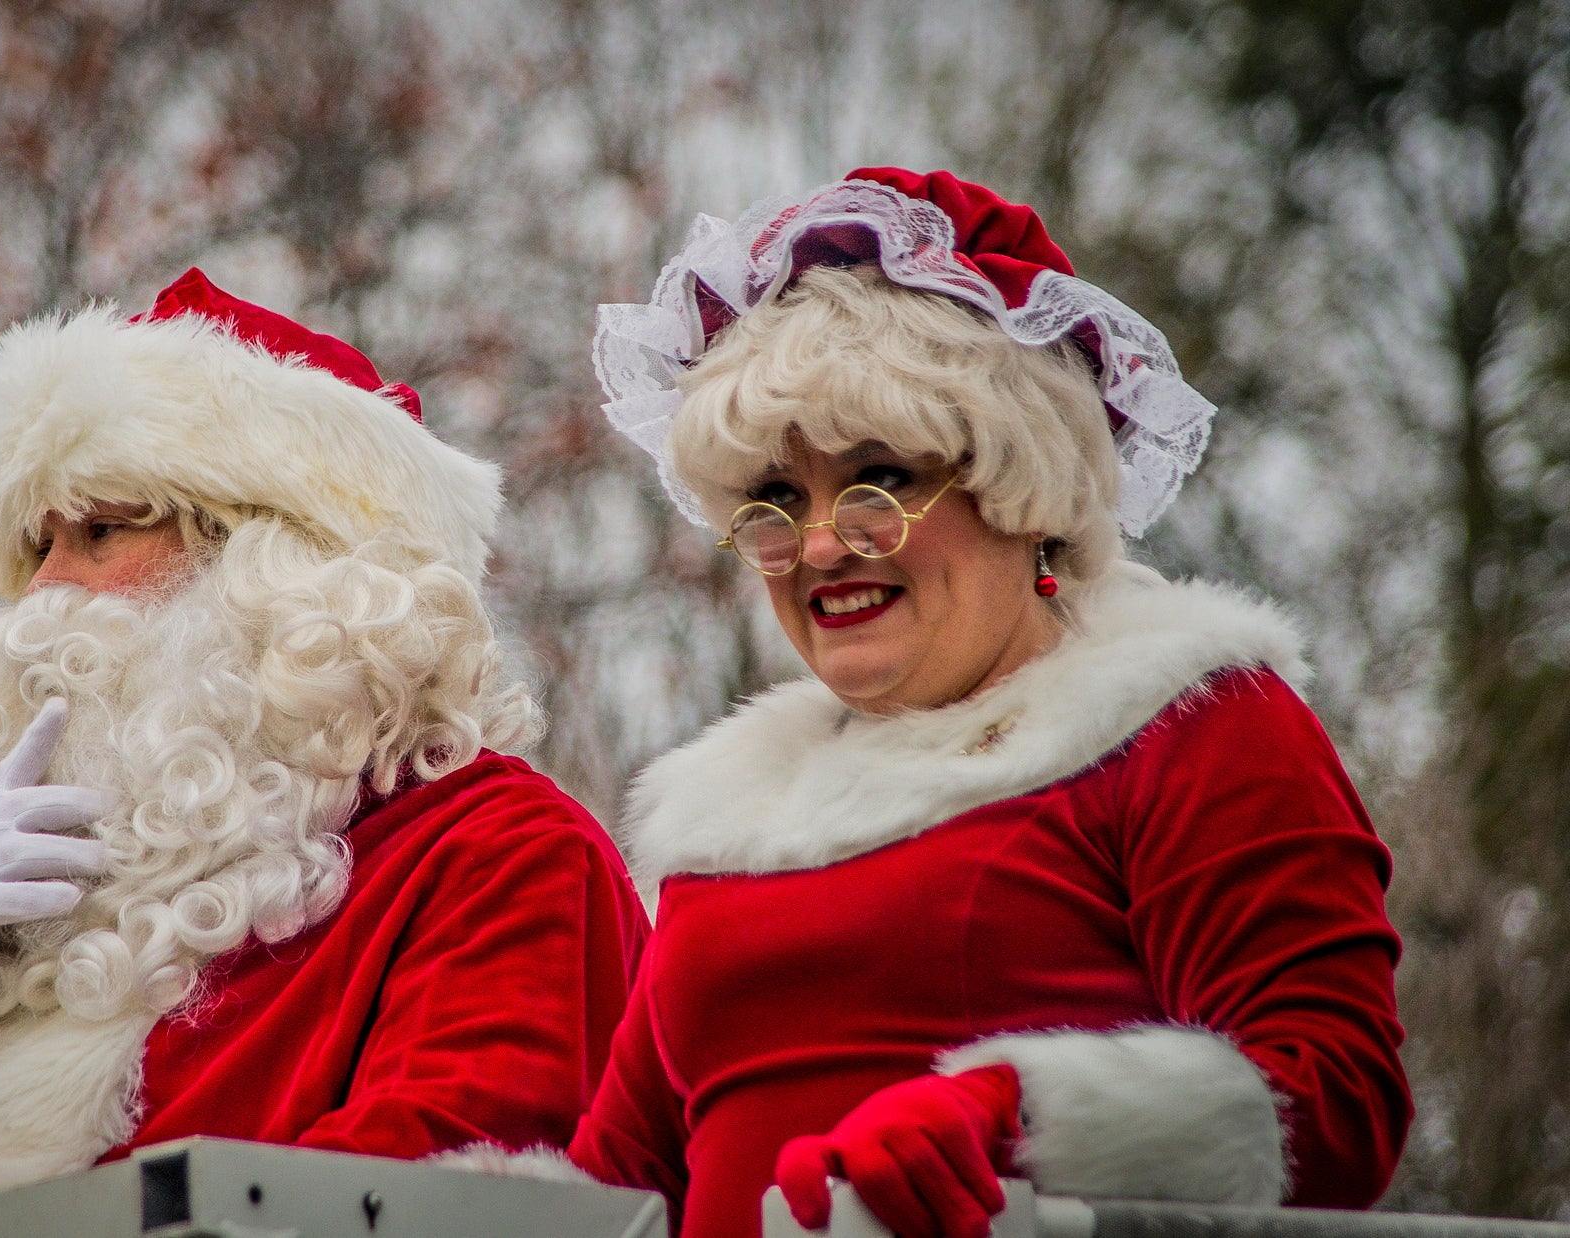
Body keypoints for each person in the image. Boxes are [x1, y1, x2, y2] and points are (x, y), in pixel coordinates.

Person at [0, 269, 650, 1238]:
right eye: (31, 546)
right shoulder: (7, 905)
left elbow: (425, 1201)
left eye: (98, 532)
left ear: (281, 566)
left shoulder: (496, 857)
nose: (43, 593)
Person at [563, 168, 1411, 1238]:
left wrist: (1010, 1117)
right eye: (774, 500)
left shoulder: (1181, 717)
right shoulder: (723, 819)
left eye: (879, 476)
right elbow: (618, 1185)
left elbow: (1333, 1105)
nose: (819, 545)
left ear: (1020, 482)